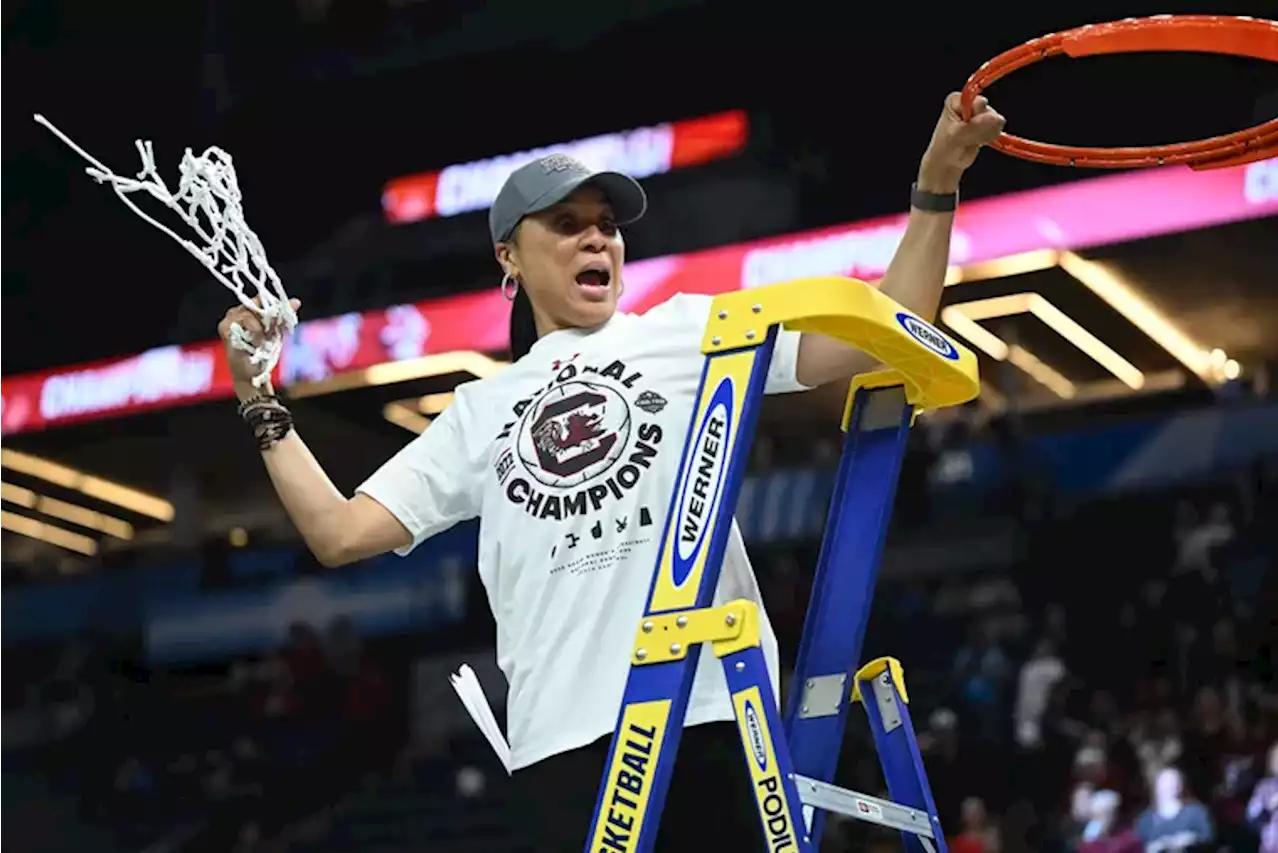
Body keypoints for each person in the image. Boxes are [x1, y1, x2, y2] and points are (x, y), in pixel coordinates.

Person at [217, 93, 1005, 851]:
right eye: (566, 225)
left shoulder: (688, 328)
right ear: (508, 257)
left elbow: (887, 333)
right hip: (562, 742)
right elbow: (340, 530)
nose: (598, 241)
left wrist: (935, 188)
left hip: (708, 713)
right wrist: (259, 398)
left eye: (607, 227)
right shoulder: (479, 408)